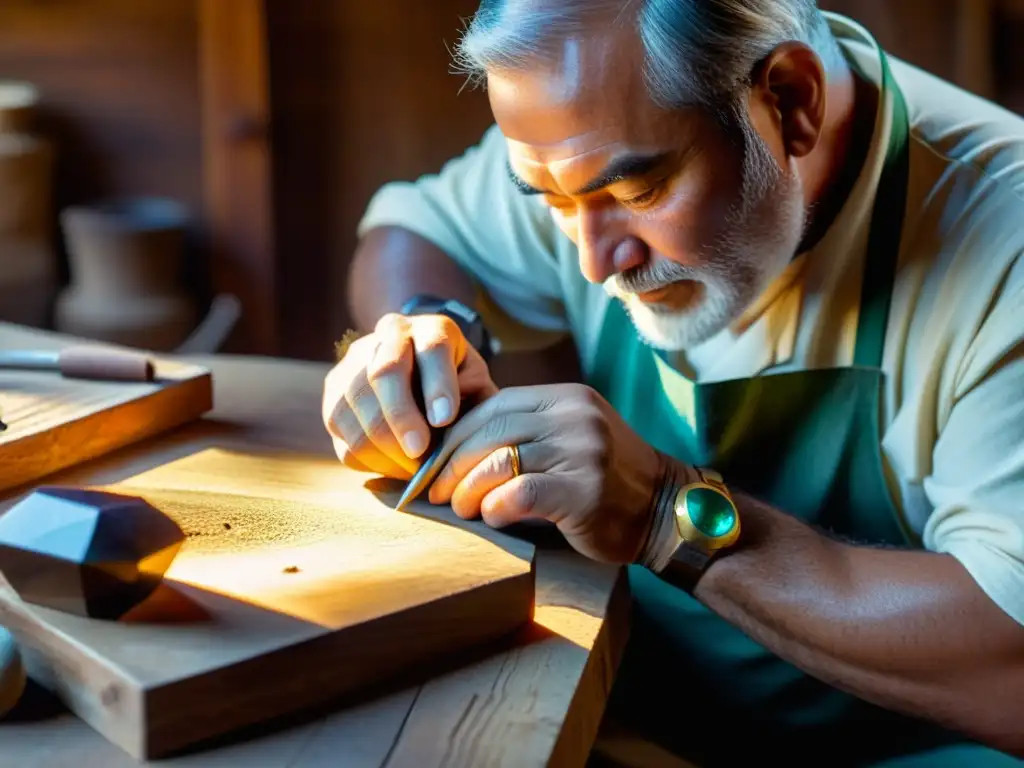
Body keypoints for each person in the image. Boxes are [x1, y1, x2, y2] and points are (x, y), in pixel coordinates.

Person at [322, 2, 1024, 764]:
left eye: (640, 194)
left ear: (790, 102)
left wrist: (665, 512)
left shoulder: (1004, 242)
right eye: (553, 203)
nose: (595, 262)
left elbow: (1008, 667)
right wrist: (426, 328)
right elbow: (415, 230)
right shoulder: (591, 141)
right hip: (623, 714)